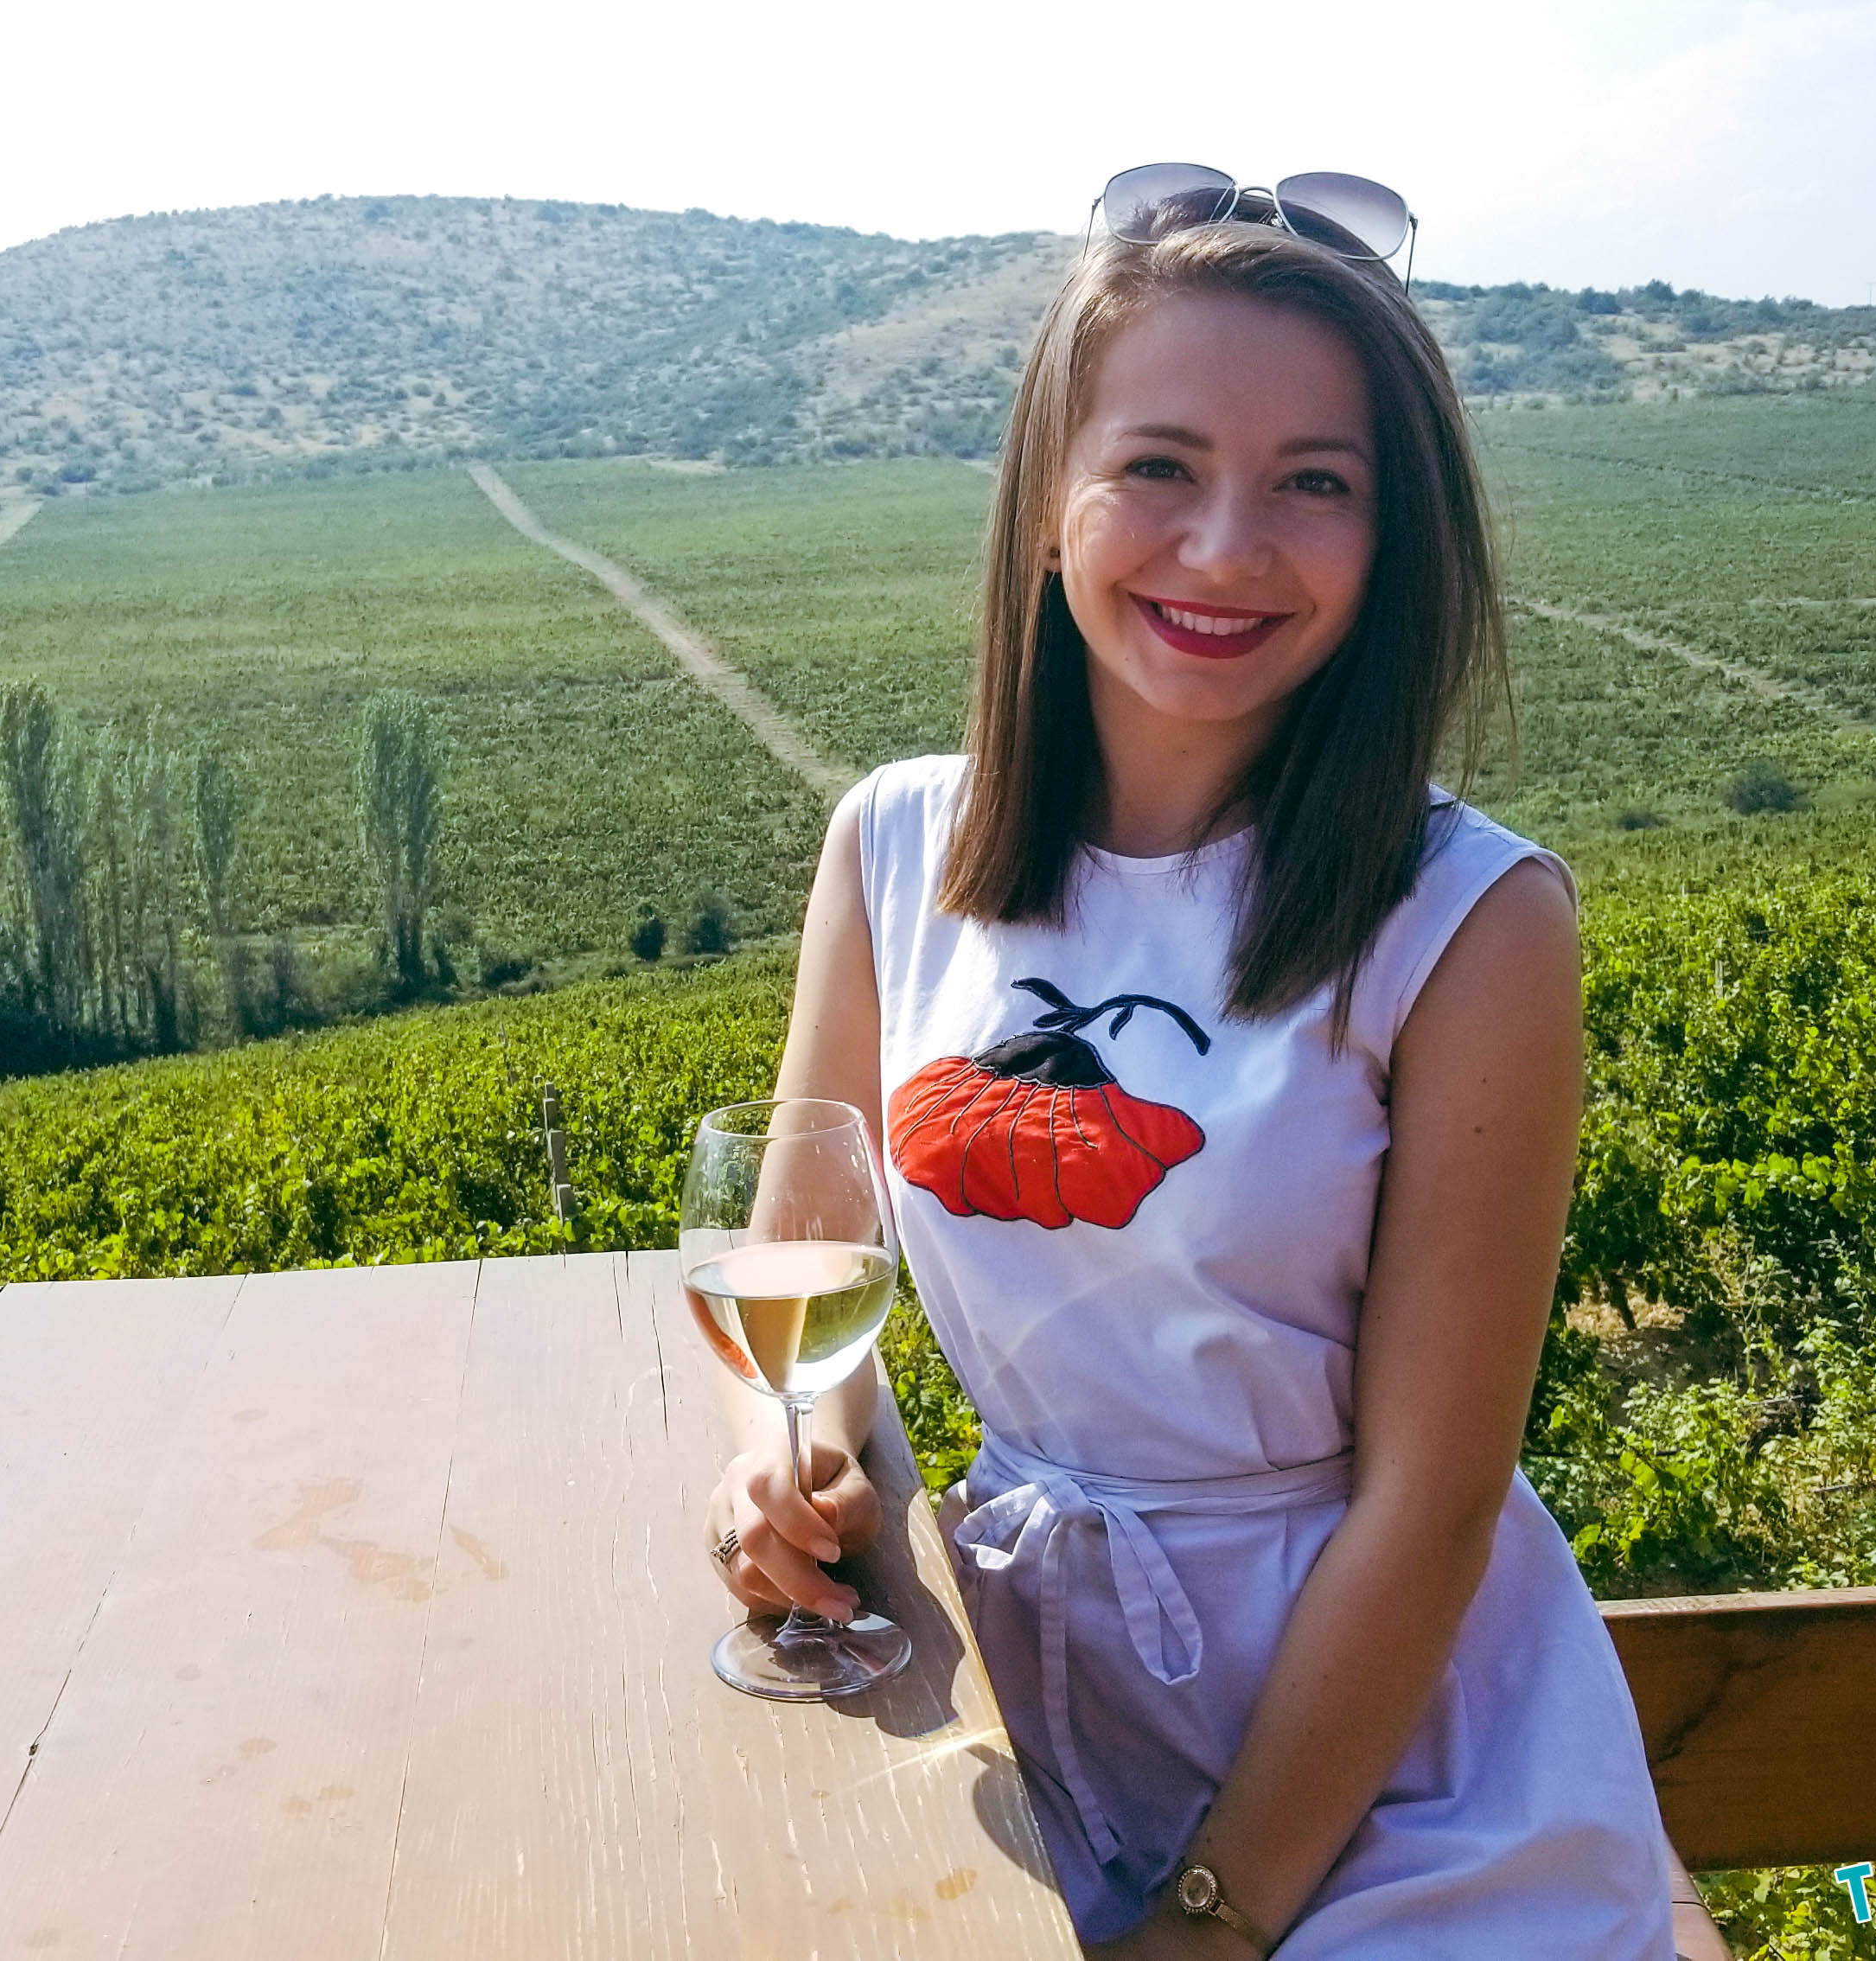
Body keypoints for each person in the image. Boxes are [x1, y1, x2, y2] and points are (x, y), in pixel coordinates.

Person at [702, 176, 1730, 1958]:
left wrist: (1217, 1913)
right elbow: (803, 1279)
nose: (1227, 546)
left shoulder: (1472, 923)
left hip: (1398, 1774)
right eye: (1159, 466)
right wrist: (778, 1466)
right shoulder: (892, 849)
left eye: (1314, 484)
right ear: (1047, 503)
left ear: (1390, 539)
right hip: (1043, 1712)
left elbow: (1433, 1500)